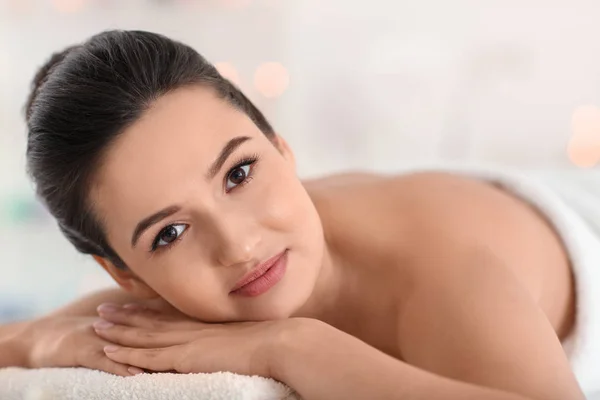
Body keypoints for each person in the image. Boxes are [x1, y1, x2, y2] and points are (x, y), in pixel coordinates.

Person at [0, 30, 585, 400]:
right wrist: (41, 344)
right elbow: (16, 338)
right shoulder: (164, 295)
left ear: (282, 148)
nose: (236, 245)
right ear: (123, 274)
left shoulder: (443, 264)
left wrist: (294, 348)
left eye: (239, 173)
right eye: (170, 232)